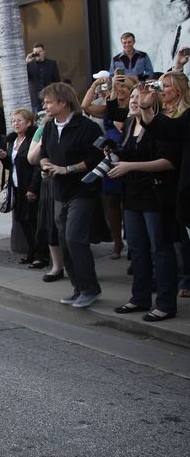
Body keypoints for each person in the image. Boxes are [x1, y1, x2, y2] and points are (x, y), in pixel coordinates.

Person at [107, 85, 179, 322]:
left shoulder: (161, 124)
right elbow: (125, 154)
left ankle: (166, 304)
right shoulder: (129, 124)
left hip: (155, 193)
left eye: (139, 97)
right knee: (137, 248)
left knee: (160, 248)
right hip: (132, 193)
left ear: (151, 99)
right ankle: (140, 297)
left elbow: (168, 161)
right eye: (133, 97)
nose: (134, 100)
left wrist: (130, 166)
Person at [38, 82, 105, 309]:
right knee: (65, 241)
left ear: (63, 102)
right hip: (59, 192)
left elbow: (96, 158)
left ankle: (90, 289)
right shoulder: (49, 127)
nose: (45, 106)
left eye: (48, 102)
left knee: (75, 238)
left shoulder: (87, 127)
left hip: (82, 191)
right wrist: (46, 165)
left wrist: (67, 169)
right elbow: (44, 153)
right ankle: (78, 288)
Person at [139, 72, 190, 299]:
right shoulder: (166, 114)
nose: (161, 89)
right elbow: (161, 128)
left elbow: (173, 130)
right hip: (170, 185)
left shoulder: (186, 114)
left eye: (167, 86)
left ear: (179, 89)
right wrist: (145, 107)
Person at [83, 72, 136, 260]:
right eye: (117, 86)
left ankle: (133, 244)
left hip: (128, 156)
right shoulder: (109, 108)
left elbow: (124, 126)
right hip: (109, 157)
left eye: (124, 87)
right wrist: (95, 85)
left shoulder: (134, 109)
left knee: (128, 202)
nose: (120, 90)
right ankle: (117, 242)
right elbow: (85, 106)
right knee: (111, 201)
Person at [0, 109, 48, 267]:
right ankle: (31, 253)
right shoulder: (12, 141)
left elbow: (36, 166)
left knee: (34, 222)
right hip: (16, 187)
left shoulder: (32, 140)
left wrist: (33, 188)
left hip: (29, 187)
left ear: (29, 123)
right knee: (22, 221)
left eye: (19, 120)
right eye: (13, 121)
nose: (16, 124)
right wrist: (4, 158)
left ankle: (41, 256)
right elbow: (11, 165)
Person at [27, 112, 66, 283]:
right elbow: (32, 158)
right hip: (49, 182)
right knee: (51, 225)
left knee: (70, 228)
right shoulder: (42, 130)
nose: (46, 107)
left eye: (49, 103)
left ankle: (76, 265)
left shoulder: (77, 126)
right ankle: (57, 266)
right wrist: (45, 137)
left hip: (71, 180)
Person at [25, 43, 61, 109]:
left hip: (49, 97)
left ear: (44, 51)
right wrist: (26, 62)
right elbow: (23, 78)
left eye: (40, 51)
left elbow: (57, 81)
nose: (38, 54)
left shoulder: (52, 63)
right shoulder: (29, 65)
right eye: (35, 52)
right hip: (35, 99)